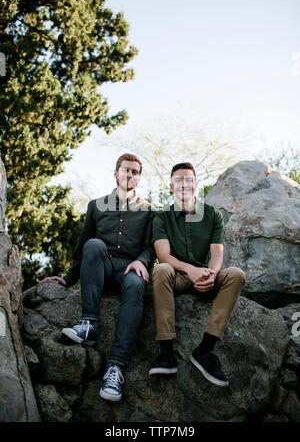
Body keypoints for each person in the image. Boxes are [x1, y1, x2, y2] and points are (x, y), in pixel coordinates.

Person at [43, 153, 155, 402]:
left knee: (137, 285)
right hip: (101, 266)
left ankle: (115, 368)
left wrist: (142, 261)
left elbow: (150, 247)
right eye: (126, 170)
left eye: (135, 172)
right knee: (93, 244)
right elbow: (82, 245)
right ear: (116, 173)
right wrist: (68, 279)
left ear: (139, 178)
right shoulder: (96, 205)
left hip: (128, 269)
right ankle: (89, 324)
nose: (130, 175)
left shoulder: (148, 210)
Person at [148, 162, 246, 386]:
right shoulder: (162, 218)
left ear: (196, 185)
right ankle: (166, 352)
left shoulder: (212, 215)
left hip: (206, 276)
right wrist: (189, 270)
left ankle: (206, 350)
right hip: (179, 277)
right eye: (178, 180)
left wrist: (211, 274)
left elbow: (217, 253)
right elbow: (163, 256)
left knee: (236, 274)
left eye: (188, 179)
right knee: (161, 269)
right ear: (171, 187)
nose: (184, 184)